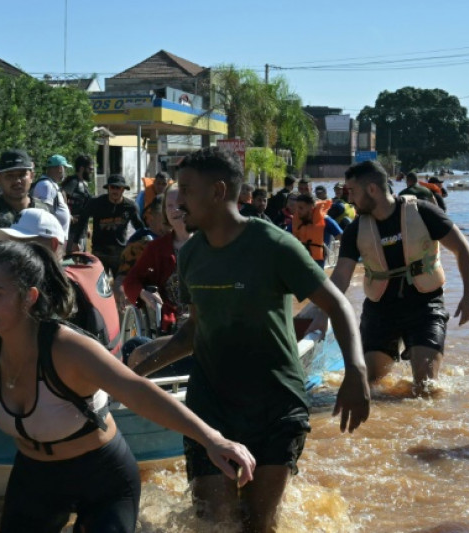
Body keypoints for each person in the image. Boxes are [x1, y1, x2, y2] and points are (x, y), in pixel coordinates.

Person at [0, 240, 255, 533]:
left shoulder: (69, 349)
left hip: (102, 479)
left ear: (29, 297)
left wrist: (211, 439)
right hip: (34, 478)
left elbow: (136, 391)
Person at [126, 147, 369, 532]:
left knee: (259, 524)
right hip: (211, 403)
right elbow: (193, 333)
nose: (178, 201)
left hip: (275, 401)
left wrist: (356, 370)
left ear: (218, 191)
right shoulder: (190, 255)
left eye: (187, 190)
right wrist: (138, 371)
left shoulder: (274, 246)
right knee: (214, 522)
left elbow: (338, 306)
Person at [324, 160, 469, 396]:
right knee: (369, 385)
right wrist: (322, 312)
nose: (350, 199)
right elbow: (341, 277)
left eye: (352, 192)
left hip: (425, 306)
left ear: (372, 189)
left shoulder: (423, 212)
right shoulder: (355, 230)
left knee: (426, 389)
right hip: (380, 309)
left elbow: (462, 249)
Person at [0, 208, 122, 356]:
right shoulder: (79, 266)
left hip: (87, 378)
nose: (14, 253)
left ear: (53, 244)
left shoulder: (54, 287)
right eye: (11, 243)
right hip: (110, 360)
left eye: (24, 245)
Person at [123, 183, 192, 335]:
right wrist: (142, 293)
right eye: (169, 206)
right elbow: (130, 281)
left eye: (180, 204)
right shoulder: (157, 248)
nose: (174, 210)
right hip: (175, 323)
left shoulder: (209, 241)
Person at [0, 149, 48, 252]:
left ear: (32, 176)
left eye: (22, 175)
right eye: (10, 176)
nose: (17, 181)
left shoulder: (44, 210)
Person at [75, 174, 145, 275]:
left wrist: (144, 243)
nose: (115, 191)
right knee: (99, 284)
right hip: (99, 250)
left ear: (123, 189)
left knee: (120, 283)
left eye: (118, 188)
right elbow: (83, 219)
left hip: (119, 251)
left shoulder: (130, 206)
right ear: (108, 188)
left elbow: (139, 227)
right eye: (112, 187)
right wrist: (76, 241)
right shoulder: (96, 203)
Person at [287, 194, 343, 269]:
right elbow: (284, 239)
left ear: (311, 207)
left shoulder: (326, 221)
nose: (298, 211)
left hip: (317, 267)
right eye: (297, 208)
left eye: (301, 208)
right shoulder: (296, 221)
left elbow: (343, 239)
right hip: (299, 263)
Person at [31, 155, 72, 239]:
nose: (65, 172)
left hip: (56, 238)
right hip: (52, 239)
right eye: (65, 168)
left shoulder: (50, 184)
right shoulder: (46, 185)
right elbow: (45, 213)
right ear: (60, 168)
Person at [62, 154, 93, 253]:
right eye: (90, 169)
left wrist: (87, 226)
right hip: (72, 231)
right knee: (72, 259)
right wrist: (69, 215)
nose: (91, 171)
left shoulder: (84, 184)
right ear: (82, 168)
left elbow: (85, 207)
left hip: (81, 229)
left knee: (81, 259)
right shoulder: (73, 182)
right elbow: (62, 196)